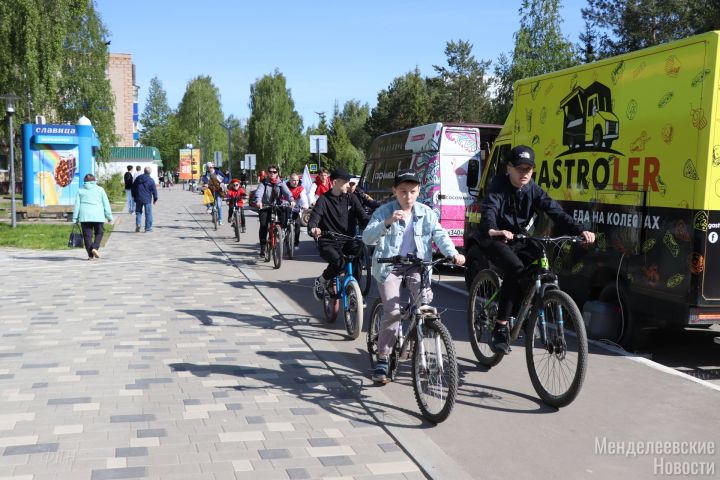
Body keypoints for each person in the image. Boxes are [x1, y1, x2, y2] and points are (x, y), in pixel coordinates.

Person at [470, 145, 595, 355]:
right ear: (509, 168)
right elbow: (489, 209)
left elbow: (554, 210)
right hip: (495, 238)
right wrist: (494, 229)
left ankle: (527, 313)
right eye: (519, 168)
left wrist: (581, 230)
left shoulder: (533, 189)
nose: (524, 173)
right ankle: (500, 327)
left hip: (520, 238)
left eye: (528, 169)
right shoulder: (498, 185)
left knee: (539, 264)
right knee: (515, 270)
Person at [362, 169, 465, 383]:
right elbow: (367, 238)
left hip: (417, 266)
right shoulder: (384, 211)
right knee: (392, 311)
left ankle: (419, 344)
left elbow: (440, 234)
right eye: (403, 191)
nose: (407, 196)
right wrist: (387, 222)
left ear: (418, 192)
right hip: (389, 266)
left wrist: (453, 254)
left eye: (412, 191)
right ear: (394, 192)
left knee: (425, 305)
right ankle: (383, 357)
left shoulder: (426, 212)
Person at [308, 167, 370, 299]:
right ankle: (322, 280)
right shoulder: (323, 200)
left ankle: (354, 290)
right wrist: (313, 228)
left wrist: (376, 227)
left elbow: (363, 218)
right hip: (328, 240)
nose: (349, 185)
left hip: (348, 239)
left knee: (358, 255)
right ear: (335, 182)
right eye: (346, 182)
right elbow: (314, 218)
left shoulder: (352, 198)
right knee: (339, 263)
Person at [73, 173, 113, 260]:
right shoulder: (100, 189)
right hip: (98, 215)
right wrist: (109, 216)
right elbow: (106, 204)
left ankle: (90, 256)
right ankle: (95, 247)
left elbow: (77, 205)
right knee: (99, 233)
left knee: (87, 236)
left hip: (84, 216)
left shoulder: (80, 190)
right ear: (94, 181)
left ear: (84, 181)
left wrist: (75, 218)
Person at [255, 165, 292, 257]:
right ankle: (263, 248)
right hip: (265, 206)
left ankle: (280, 231)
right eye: (270, 172)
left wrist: (291, 200)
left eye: (274, 172)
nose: (272, 174)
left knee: (284, 213)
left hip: (277, 205)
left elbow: (287, 192)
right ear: (268, 173)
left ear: (277, 173)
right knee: (263, 225)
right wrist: (259, 201)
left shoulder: (281, 182)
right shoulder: (264, 182)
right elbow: (259, 193)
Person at [132, 166, 158, 233]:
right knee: (148, 213)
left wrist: (134, 196)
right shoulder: (151, 180)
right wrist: (155, 199)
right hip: (147, 199)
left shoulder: (138, 178)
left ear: (144, 171)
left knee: (138, 212)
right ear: (150, 172)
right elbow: (154, 190)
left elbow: (133, 187)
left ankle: (138, 224)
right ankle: (148, 228)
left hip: (138, 198)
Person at [286, 173, 309, 248]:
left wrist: (305, 205)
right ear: (290, 181)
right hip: (286, 207)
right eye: (293, 180)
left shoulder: (300, 188)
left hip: (295, 209)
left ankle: (296, 242)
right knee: (283, 220)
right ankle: (282, 233)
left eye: (297, 180)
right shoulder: (285, 187)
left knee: (298, 224)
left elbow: (304, 198)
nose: (296, 182)